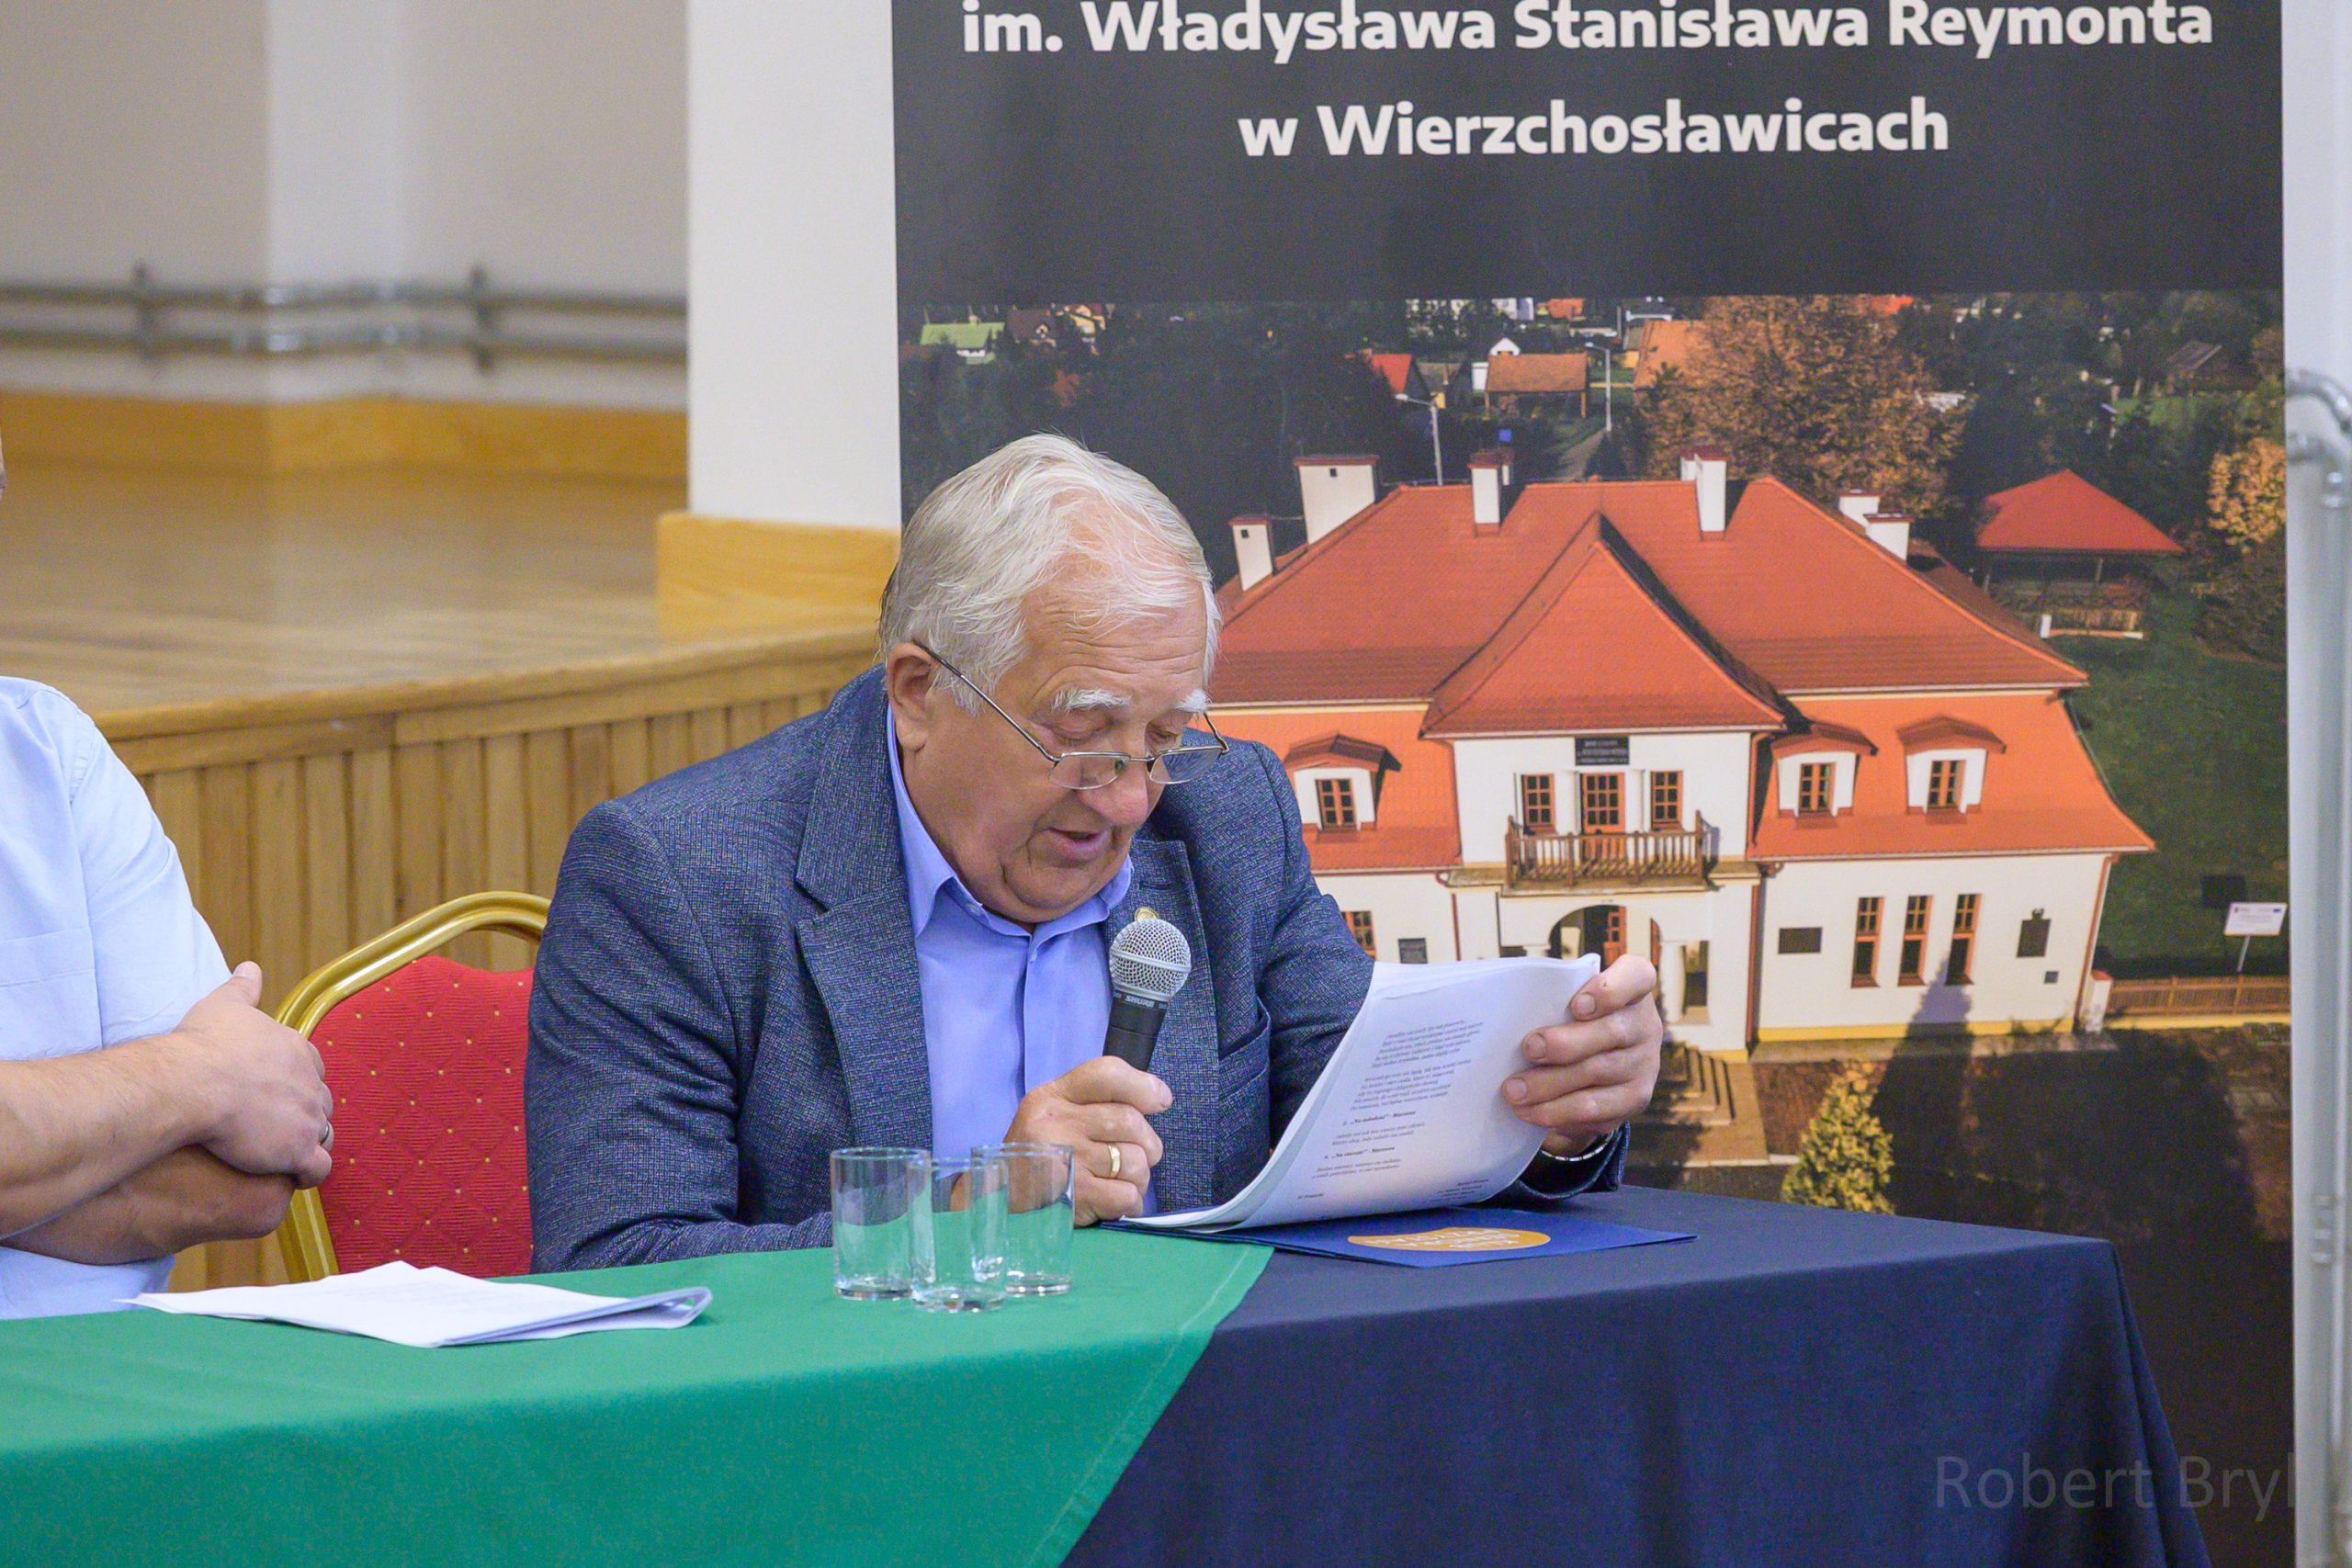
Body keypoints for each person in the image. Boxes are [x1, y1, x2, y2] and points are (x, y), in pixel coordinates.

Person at [526, 435, 1661, 1269]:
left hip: (1201, 1428)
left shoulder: (1226, 821)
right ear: (918, 692)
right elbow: (621, 1264)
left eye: (1162, 739)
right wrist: (974, 1211)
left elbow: (1369, 1130)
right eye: (1081, 735)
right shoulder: (679, 875)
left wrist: (1550, 1112)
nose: (1125, 799)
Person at [0, 678, 334, 1317]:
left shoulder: (47, 746)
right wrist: (201, 1073)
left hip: (108, 1362)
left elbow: (245, 1179)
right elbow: (233, 1093)